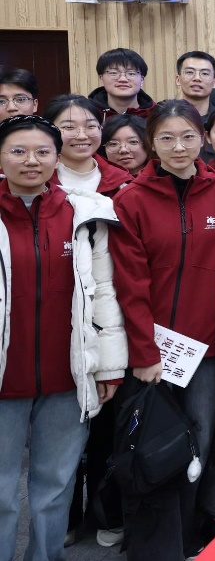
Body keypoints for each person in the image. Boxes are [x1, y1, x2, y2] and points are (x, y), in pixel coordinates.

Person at [109, 101, 215, 561]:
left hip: (206, 350)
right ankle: (154, 542)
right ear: (151, 144)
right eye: (166, 138)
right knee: (151, 444)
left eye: (187, 136)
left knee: (200, 441)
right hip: (151, 350)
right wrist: (144, 352)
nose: (178, 147)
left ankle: (189, 536)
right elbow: (130, 284)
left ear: (203, 138)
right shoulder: (131, 200)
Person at [0, 115, 125, 561]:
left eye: (42, 151)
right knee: (1, 492)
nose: (31, 160)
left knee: (55, 486)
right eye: (18, 151)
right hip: (4, 378)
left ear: (57, 158)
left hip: (68, 376)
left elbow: (105, 294)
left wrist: (109, 366)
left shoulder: (85, 214)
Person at [45, 95, 131, 197]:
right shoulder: (38, 181)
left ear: (101, 128)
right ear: (49, 131)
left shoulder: (123, 184)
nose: (82, 136)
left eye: (91, 126)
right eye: (69, 127)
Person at [89, 48, 154, 118]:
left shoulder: (156, 114)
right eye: (113, 73)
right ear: (101, 79)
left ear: (142, 80)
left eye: (131, 73)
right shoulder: (87, 113)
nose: (123, 79)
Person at [174, 50, 215, 119]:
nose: (197, 78)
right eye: (190, 72)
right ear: (178, 80)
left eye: (205, 73)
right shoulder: (165, 118)